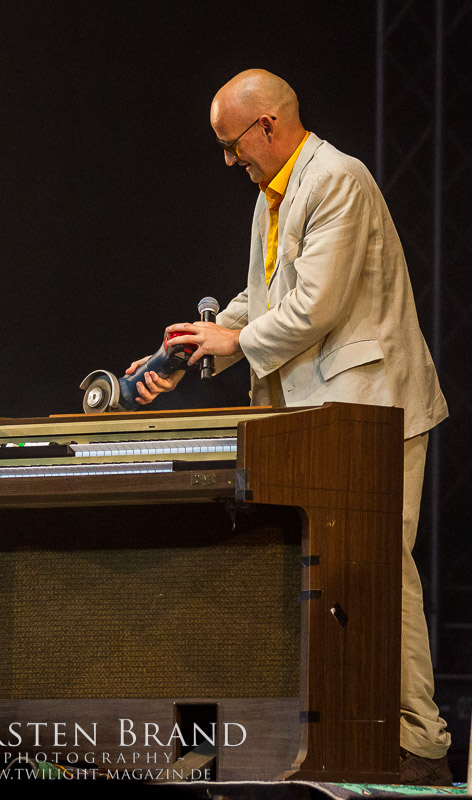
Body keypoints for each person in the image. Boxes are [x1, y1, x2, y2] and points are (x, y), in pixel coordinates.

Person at [128, 68, 453, 786]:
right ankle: (328, 733)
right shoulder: (274, 194)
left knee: (377, 571)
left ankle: (421, 743)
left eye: (231, 144)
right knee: (316, 573)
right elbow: (267, 294)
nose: (228, 160)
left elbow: (315, 306)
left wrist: (234, 341)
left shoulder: (338, 179)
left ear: (268, 125)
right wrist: (200, 343)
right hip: (319, 419)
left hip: (372, 409)